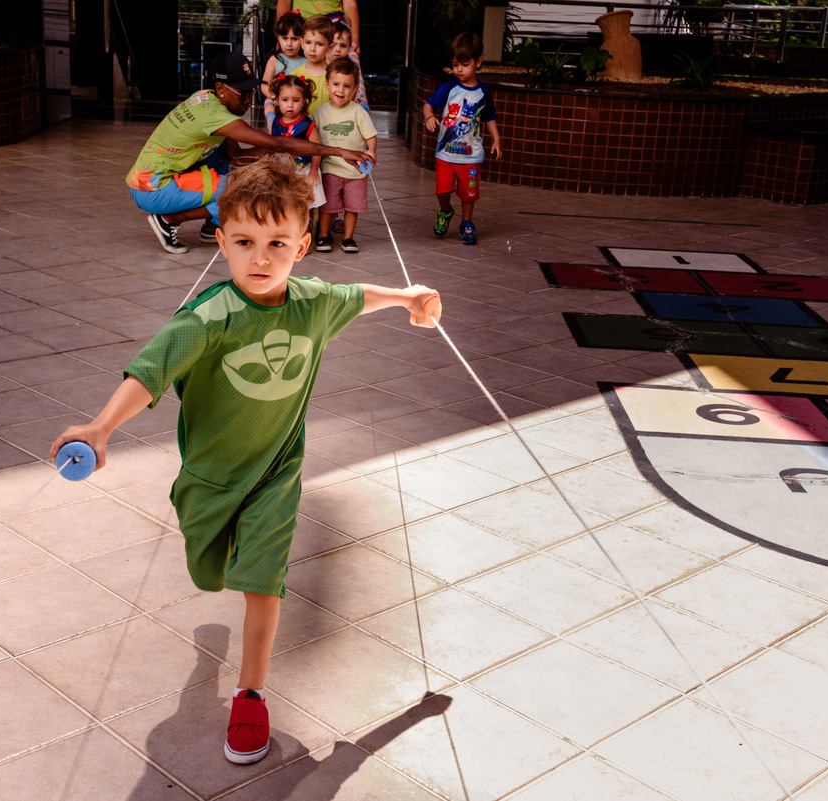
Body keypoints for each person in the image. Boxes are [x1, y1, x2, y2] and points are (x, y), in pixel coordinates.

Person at [50, 156, 441, 766]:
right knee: (209, 573)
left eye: (277, 242)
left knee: (262, 583)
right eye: (244, 242)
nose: (260, 258)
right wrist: (101, 428)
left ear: (304, 245)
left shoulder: (311, 304)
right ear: (222, 240)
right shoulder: (208, 318)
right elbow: (149, 373)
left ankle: (250, 695)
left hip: (276, 474)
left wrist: (407, 296)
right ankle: (206, 664)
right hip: (210, 477)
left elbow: (356, 296)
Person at [125, 51, 371, 255]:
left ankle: (212, 226)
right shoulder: (216, 117)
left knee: (234, 169)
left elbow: (236, 159)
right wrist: (338, 150)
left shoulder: (205, 98)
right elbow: (281, 144)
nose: (248, 100)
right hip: (153, 188)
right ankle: (168, 220)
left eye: (251, 92)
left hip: (158, 175)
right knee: (236, 191)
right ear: (221, 88)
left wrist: (266, 150)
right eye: (242, 93)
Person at [422, 32, 502, 246]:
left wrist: (496, 138)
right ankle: (446, 211)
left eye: (464, 65)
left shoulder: (483, 92)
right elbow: (428, 104)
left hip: (471, 156)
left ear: (478, 62)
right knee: (442, 190)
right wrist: (429, 116)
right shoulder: (449, 88)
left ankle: (467, 223)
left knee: (468, 194)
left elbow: (489, 117)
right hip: (445, 154)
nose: (458, 70)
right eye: (455, 65)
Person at [312, 58, 377, 254]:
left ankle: (348, 238)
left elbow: (370, 136)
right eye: (336, 84)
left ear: (355, 88)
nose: (341, 90)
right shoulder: (319, 113)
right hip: (330, 168)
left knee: (352, 207)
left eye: (347, 86)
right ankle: (323, 235)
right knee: (328, 207)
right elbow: (311, 137)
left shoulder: (358, 113)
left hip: (355, 171)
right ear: (327, 84)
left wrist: (370, 151)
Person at [269, 73, 326, 228]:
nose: (290, 105)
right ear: (277, 100)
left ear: (303, 102)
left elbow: (317, 149)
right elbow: (272, 145)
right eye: (285, 100)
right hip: (283, 171)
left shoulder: (307, 124)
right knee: (286, 203)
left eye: (296, 100)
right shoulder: (276, 123)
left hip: (304, 171)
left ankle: (306, 233)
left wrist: (314, 171)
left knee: (306, 204)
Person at [261, 12, 306, 131]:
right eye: (285, 38)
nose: (289, 44)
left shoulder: (306, 62)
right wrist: (274, 97)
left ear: (303, 39)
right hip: (278, 108)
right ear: (278, 38)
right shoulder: (275, 60)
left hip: (300, 108)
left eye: (294, 39)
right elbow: (264, 85)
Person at [275, 0, 360, 54]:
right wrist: (282, 34)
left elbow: (350, 5)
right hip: (301, 29)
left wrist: (354, 38)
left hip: (334, 30)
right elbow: (284, 2)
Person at [291, 15, 333, 116]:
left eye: (319, 44)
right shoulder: (294, 76)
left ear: (330, 48)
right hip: (302, 129)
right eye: (308, 42)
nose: (312, 49)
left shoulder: (334, 76)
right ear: (302, 43)